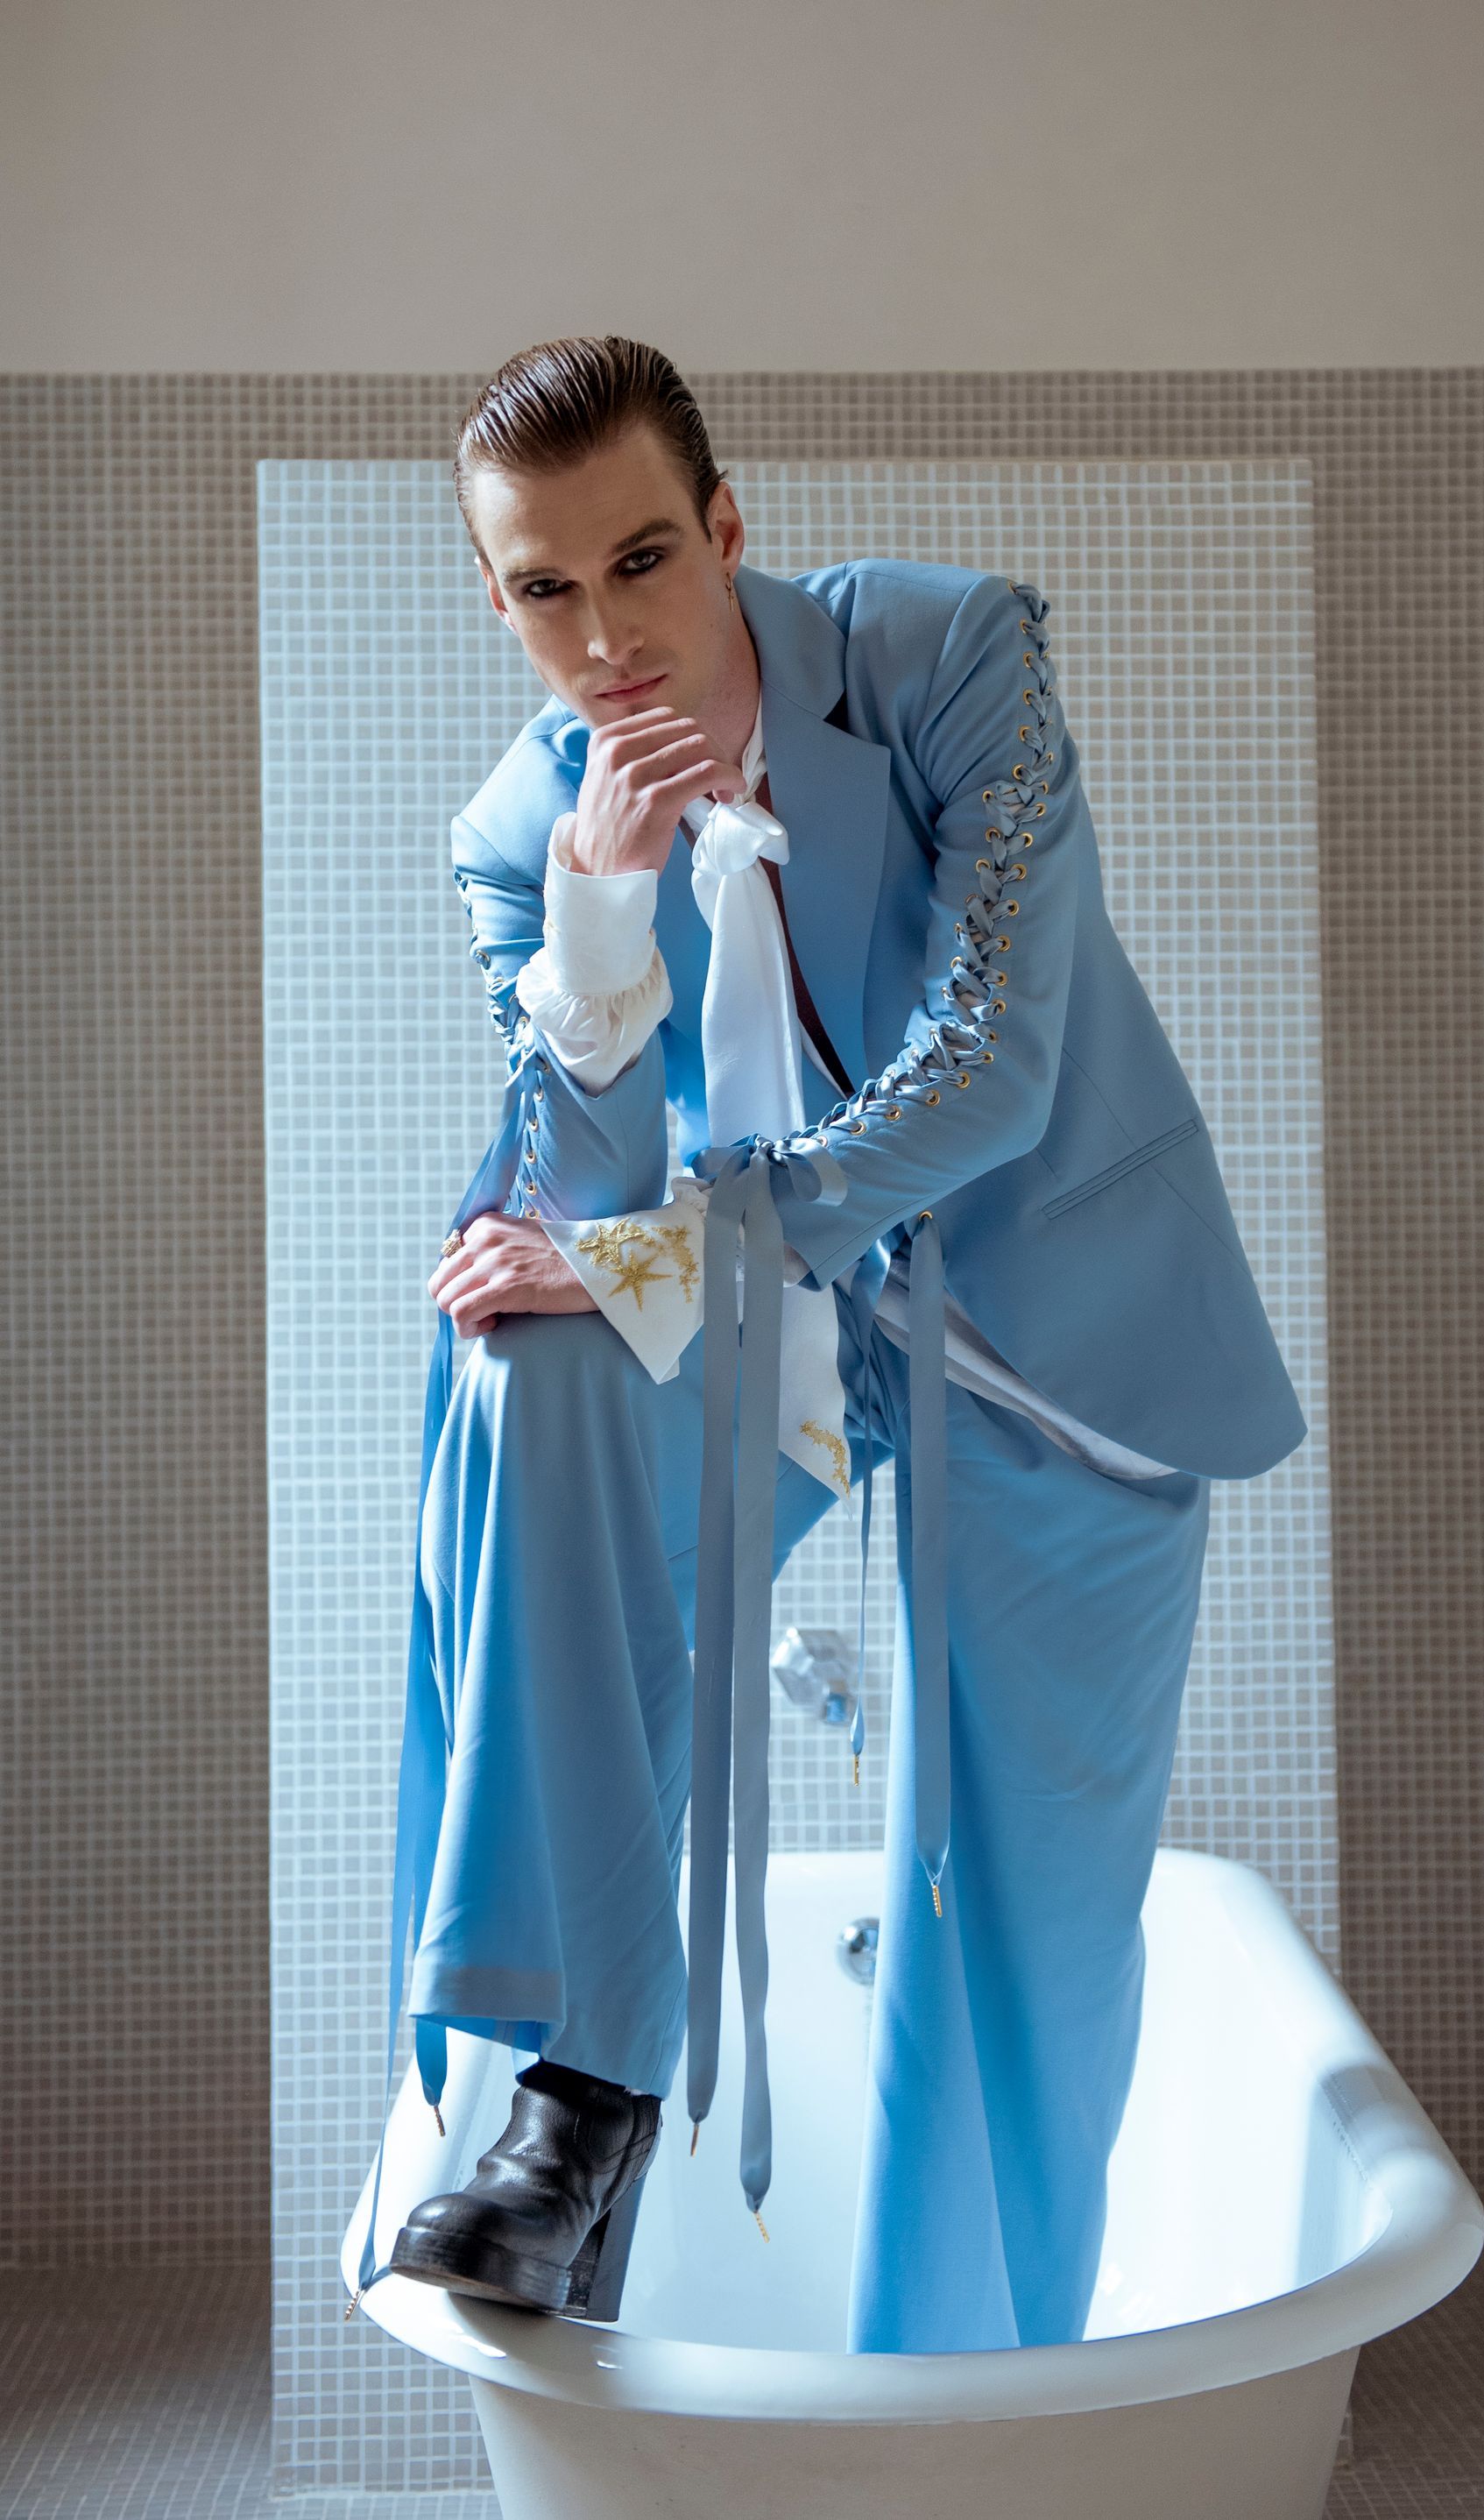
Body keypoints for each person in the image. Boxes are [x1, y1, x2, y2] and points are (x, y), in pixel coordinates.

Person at [350, 334, 1305, 2354]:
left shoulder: (949, 659)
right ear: (498, 599)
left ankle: (948, 2429)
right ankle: (581, 2090)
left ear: (726, 529)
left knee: (1008, 1956)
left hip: (1067, 1347)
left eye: (641, 562)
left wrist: (694, 1231)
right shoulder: (518, 832)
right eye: (542, 590)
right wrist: (602, 938)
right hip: (779, 1361)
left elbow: (993, 1067)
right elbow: (575, 1200)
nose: (606, 639)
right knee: (519, 1361)